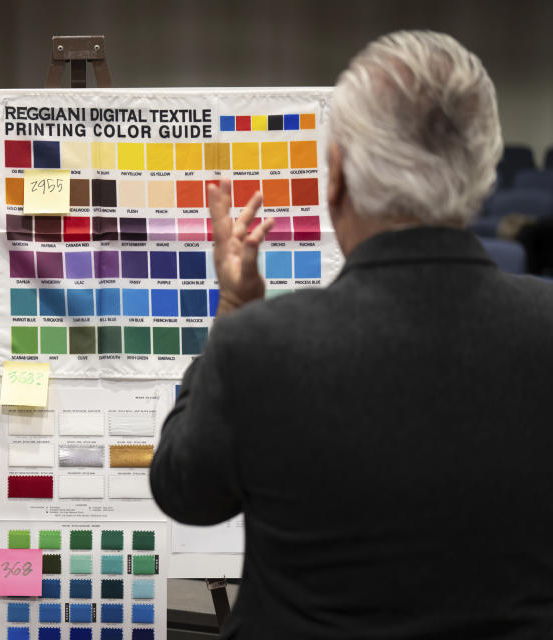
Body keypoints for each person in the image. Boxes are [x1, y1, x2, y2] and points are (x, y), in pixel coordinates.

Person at [151, 30, 553, 639]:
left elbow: (185, 490)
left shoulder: (260, 344)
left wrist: (234, 303)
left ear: (336, 176)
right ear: (481, 173)